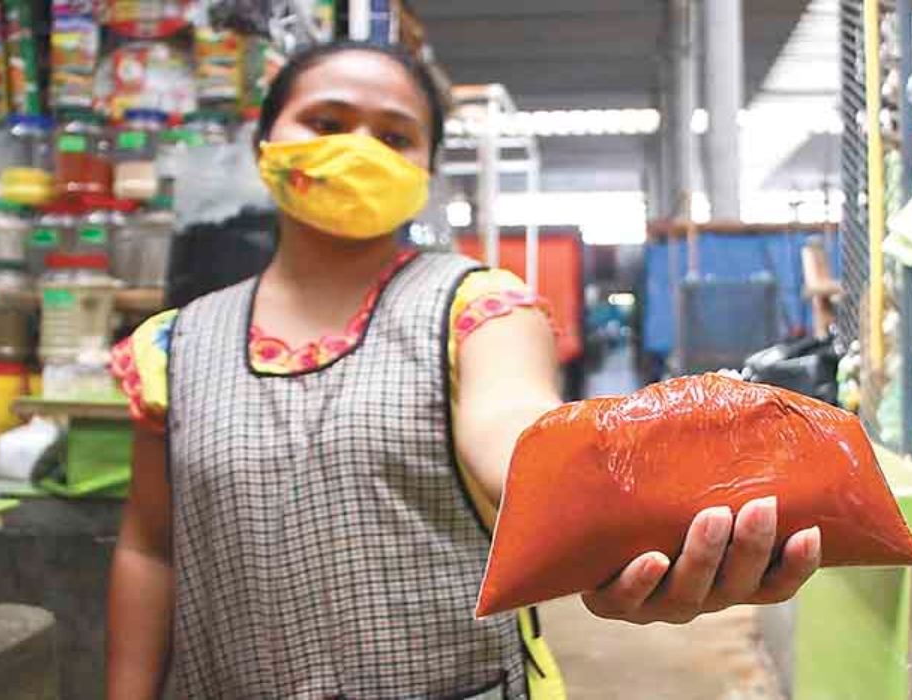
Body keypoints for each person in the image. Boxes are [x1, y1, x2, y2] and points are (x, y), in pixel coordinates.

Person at [106, 40, 822, 700]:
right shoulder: (176, 346)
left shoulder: (479, 309)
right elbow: (151, 547)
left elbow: (514, 435)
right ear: (265, 142)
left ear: (423, 168)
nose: (358, 148)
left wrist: (614, 527)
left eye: (393, 136)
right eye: (326, 121)